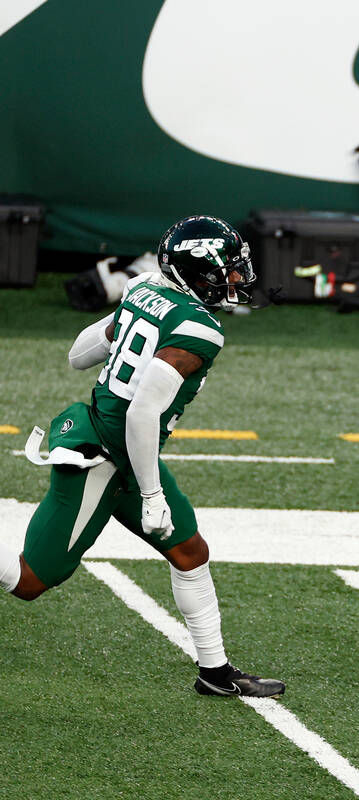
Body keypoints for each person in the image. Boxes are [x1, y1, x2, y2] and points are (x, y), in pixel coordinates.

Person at [1, 215, 285, 699]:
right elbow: (141, 414)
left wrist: (130, 329)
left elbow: (78, 355)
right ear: (199, 272)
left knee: (189, 551)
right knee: (30, 582)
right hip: (104, 454)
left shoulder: (147, 288)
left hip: (124, 448)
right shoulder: (200, 328)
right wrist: (152, 494)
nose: (238, 278)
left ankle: (214, 672)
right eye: (229, 268)